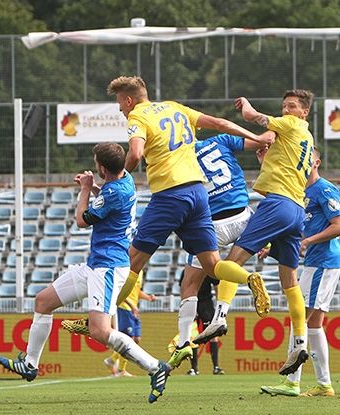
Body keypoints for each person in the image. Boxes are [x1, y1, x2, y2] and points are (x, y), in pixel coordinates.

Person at [107, 76, 274, 369]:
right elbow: (221, 123)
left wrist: (120, 176)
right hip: (200, 195)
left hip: (170, 195)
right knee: (211, 265)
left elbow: (134, 153)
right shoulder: (175, 107)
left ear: (129, 100)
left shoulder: (137, 116)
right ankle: (247, 279)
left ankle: (101, 314)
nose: (120, 108)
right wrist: (259, 138)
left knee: (132, 261)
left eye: (120, 102)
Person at [0, 142, 172, 403]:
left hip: (108, 267)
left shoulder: (112, 191)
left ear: (101, 167)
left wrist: (85, 189)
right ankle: (30, 364)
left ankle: (156, 367)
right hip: (95, 265)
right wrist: (95, 188)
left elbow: (81, 220)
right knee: (43, 301)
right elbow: (109, 198)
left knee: (101, 332)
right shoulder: (125, 181)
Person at [197, 90, 315, 375]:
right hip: (296, 209)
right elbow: (284, 163)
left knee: (231, 262)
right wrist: (267, 158)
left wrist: (246, 105)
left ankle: (220, 316)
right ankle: (300, 342)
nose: (286, 110)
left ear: (304, 112)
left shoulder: (289, 125)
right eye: (284, 105)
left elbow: (251, 118)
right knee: (290, 280)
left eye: (292, 106)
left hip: (277, 203)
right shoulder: (306, 138)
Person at [171, 132, 271, 367]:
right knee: (231, 267)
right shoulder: (221, 140)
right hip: (245, 216)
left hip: (213, 225)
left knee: (190, 283)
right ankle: (222, 313)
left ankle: (183, 343)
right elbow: (263, 140)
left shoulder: (177, 159)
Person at [261, 148, 338, 397]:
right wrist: (272, 245)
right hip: (317, 262)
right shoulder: (300, 191)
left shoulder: (324, 189)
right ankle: (324, 384)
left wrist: (308, 242)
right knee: (314, 324)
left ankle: (292, 381)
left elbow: (338, 224)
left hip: (324, 262)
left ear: (316, 162)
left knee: (299, 319)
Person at [62, 270, 156, 377]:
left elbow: (136, 290)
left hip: (133, 308)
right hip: (124, 307)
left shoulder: (141, 272)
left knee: (136, 339)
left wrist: (148, 298)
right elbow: (120, 291)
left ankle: (113, 360)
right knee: (129, 337)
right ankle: (121, 369)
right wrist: (132, 305)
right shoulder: (128, 270)